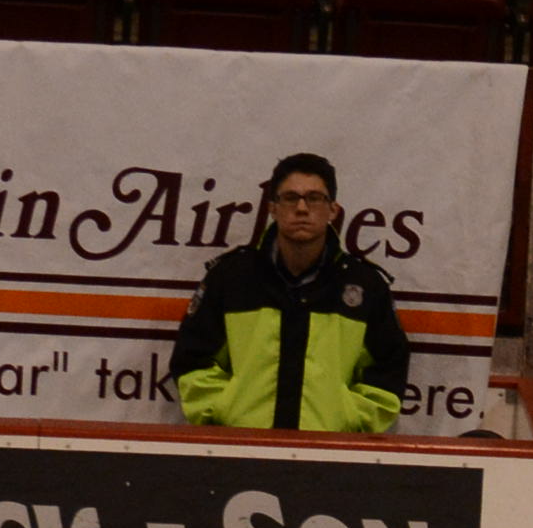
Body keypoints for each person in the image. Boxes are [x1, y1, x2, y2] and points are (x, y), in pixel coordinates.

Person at [168, 155, 412, 435]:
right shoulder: (231, 278)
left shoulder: (365, 286)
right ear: (272, 208)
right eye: (290, 198)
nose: (302, 208)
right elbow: (192, 361)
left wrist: (349, 420)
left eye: (315, 198)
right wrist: (225, 411)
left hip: (330, 451)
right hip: (242, 448)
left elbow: (389, 368)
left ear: (333, 210)